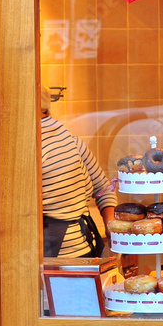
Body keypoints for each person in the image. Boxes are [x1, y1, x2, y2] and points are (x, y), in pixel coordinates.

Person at [40, 87, 116, 257]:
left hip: (52, 259)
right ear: (47, 108)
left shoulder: (29, 148)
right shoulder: (72, 141)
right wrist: (110, 223)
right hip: (84, 250)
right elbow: (104, 188)